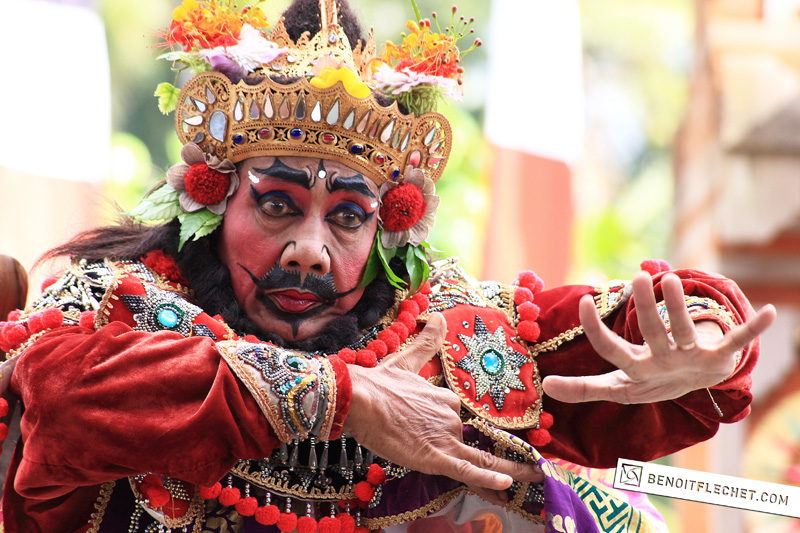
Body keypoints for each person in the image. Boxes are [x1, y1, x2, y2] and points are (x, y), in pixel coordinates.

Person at [0, 0, 776, 531]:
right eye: (278, 205)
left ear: (388, 228)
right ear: (213, 199)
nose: (310, 249)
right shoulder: (118, 309)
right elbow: (58, 402)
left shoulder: (446, 342)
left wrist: (699, 340)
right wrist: (345, 398)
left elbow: (609, 345)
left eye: (347, 217)